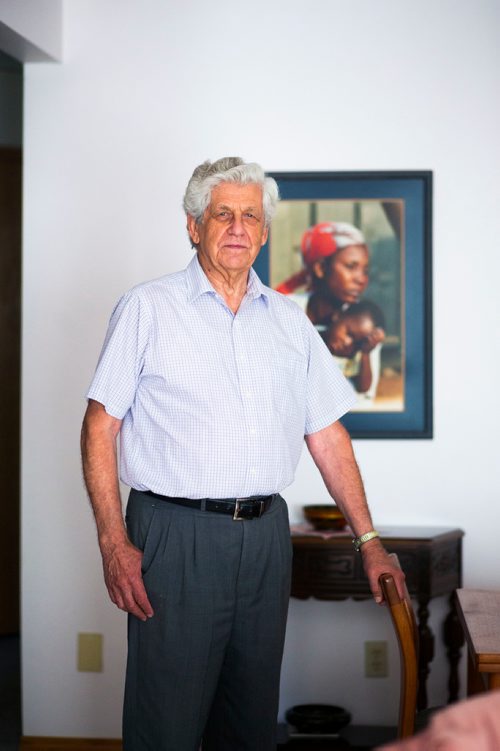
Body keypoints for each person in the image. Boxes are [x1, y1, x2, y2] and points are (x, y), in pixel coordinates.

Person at [81, 156, 405, 751]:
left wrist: (370, 540)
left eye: (249, 216)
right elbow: (99, 427)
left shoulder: (289, 321)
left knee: (250, 722)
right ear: (193, 225)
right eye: (222, 214)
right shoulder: (147, 309)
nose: (236, 227)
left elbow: (327, 436)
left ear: (264, 231)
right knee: (167, 726)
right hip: (174, 536)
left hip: (264, 539)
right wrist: (112, 540)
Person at [277, 221, 386, 405]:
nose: (361, 279)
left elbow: (364, 398)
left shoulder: (363, 321)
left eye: (365, 270)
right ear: (320, 268)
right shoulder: (285, 311)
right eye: (351, 266)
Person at [323, 300, 385, 395]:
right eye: (349, 334)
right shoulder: (312, 336)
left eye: (357, 344)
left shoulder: (352, 360)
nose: (347, 343)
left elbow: (363, 388)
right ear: (338, 316)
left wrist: (365, 353)